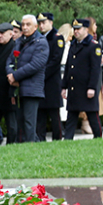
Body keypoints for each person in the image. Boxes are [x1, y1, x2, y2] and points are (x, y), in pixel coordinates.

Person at [7, 15, 48, 143]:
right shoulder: (19, 42)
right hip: (18, 88)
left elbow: (35, 65)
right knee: (20, 122)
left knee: (29, 123)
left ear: (35, 27)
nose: (24, 27)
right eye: (23, 24)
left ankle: (31, 147)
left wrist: (15, 76)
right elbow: (9, 61)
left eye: (28, 24)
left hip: (32, 88)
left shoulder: (41, 42)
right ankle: (23, 147)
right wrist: (10, 74)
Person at [63, 19, 103, 139]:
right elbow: (69, 66)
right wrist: (64, 86)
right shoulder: (73, 45)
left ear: (86, 29)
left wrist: (92, 87)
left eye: (78, 29)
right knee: (72, 115)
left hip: (86, 87)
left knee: (92, 115)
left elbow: (95, 69)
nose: (76, 32)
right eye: (74, 29)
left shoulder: (93, 46)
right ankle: (68, 139)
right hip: (74, 87)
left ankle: (98, 137)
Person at [36, 13, 64, 141]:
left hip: (51, 81)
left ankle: (57, 138)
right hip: (40, 82)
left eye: (44, 22)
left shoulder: (57, 38)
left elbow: (55, 60)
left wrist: (42, 74)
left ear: (51, 23)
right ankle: (40, 139)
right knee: (40, 113)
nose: (41, 25)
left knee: (54, 114)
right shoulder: (38, 38)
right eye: (39, 23)